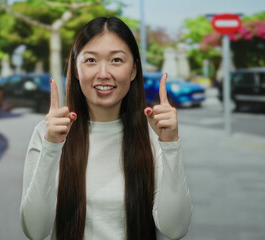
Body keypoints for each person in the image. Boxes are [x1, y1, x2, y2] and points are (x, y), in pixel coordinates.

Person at [20, 17, 192, 240]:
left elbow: (175, 229)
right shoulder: (47, 132)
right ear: (75, 69)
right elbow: (35, 231)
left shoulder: (155, 134)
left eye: (117, 60)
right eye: (90, 60)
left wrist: (170, 144)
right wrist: (52, 147)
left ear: (133, 70)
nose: (103, 73)